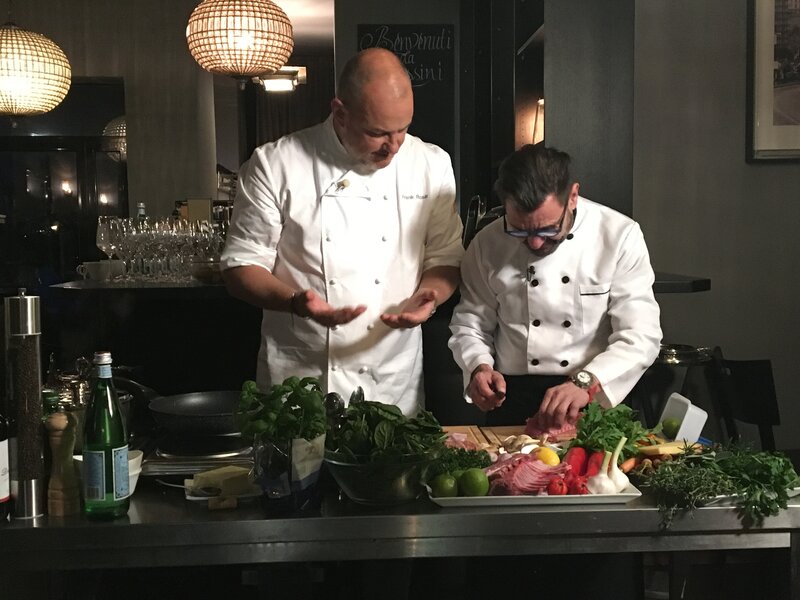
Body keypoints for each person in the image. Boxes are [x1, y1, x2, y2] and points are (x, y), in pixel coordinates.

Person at [220, 47, 464, 417]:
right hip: (302, 379)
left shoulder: (431, 163)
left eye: (403, 129)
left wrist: (431, 296)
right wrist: (296, 302)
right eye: (377, 133)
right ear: (340, 113)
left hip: (392, 379)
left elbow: (445, 257)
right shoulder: (275, 164)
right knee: (297, 473)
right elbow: (240, 269)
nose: (394, 147)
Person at [449, 144, 662, 430]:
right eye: (519, 230)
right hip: (511, 399)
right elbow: (470, 324)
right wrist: (478, 366)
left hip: (591, 397)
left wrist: (585, 383)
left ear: (572, 197)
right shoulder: (487, 244)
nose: (535, 243)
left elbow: (641, 336)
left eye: (547, 229)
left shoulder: (619, 236)